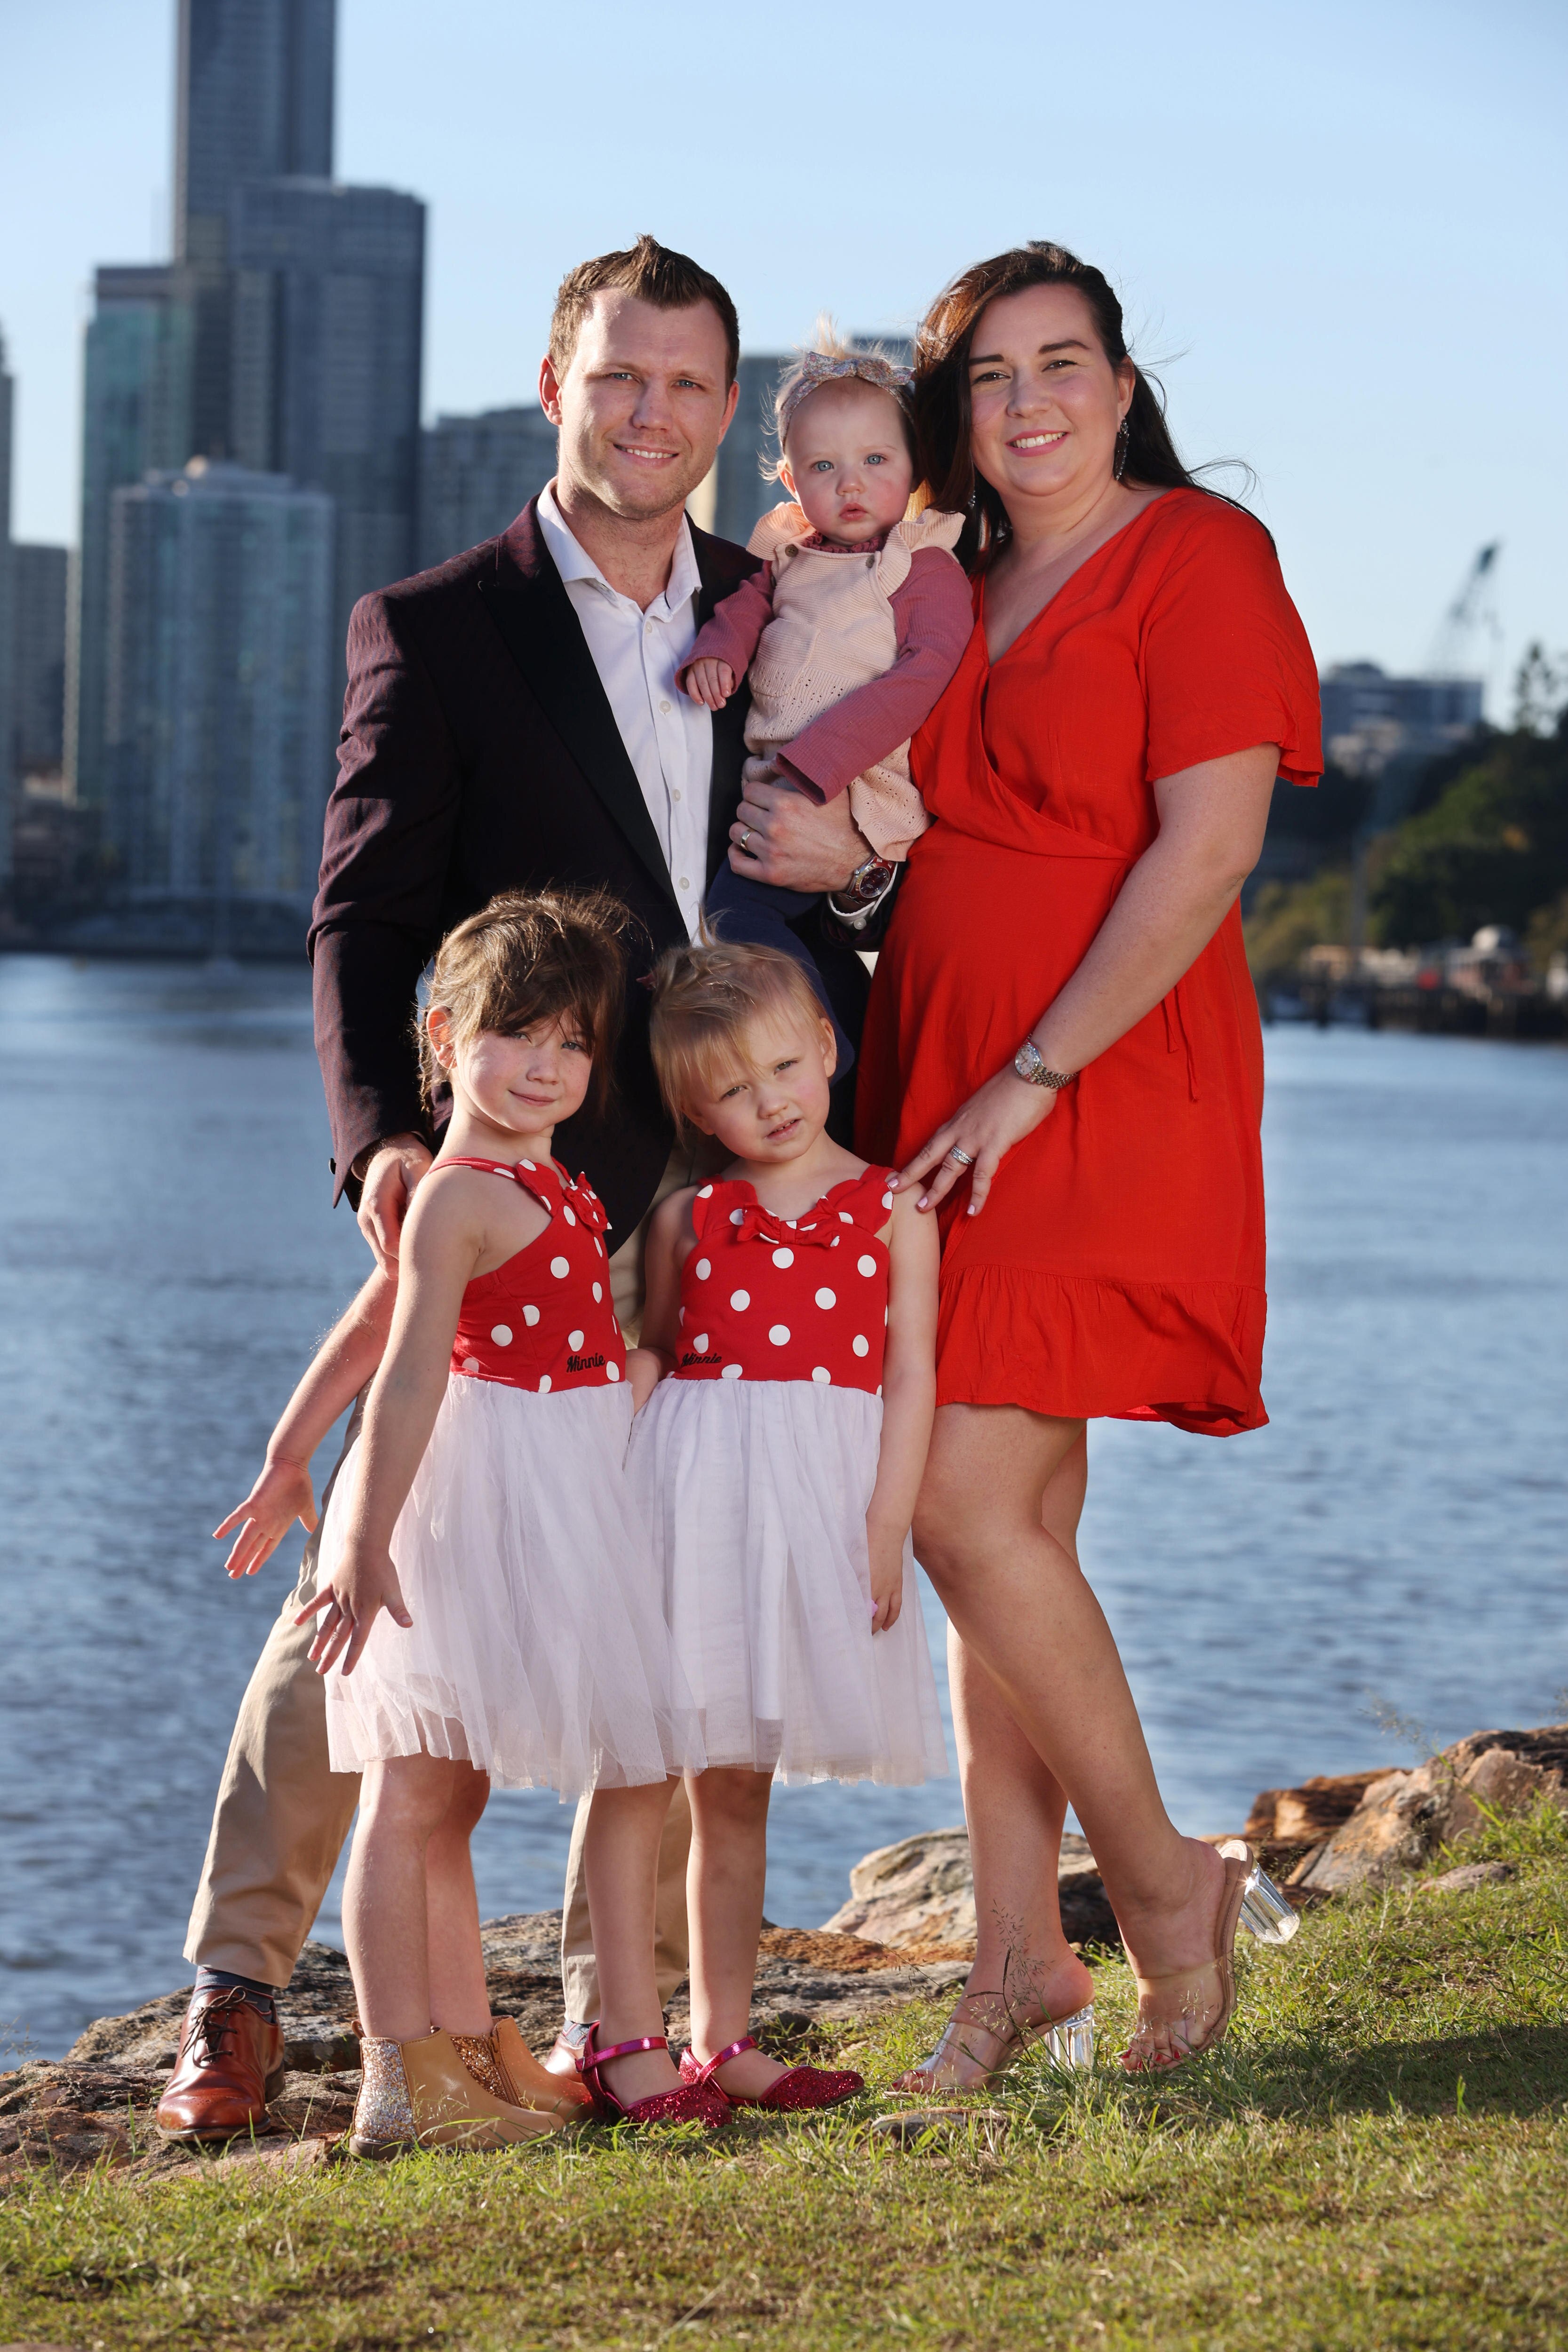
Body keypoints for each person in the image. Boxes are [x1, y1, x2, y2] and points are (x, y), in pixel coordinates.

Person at [158, 235, 889, 2145]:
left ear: (728, 417)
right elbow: (365, 913)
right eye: (614, 377)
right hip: (518, 1181)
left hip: (721, 1197)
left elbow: (839, 857)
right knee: (371, 1586)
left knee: (641, 1611)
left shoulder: (780, 597)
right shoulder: (438, 623)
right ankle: (238, 1985)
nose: (647, 415)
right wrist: (385, 1149)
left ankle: (603, 2025)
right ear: (552, 382)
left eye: (684, 387)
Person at [856, 241, 1313, 2085]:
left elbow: (1206, 847)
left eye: (1062, 363)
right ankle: (1014, 1956)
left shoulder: (1198, 556)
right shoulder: (943, 580)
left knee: (956, 1503)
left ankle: (1162, 1887)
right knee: (1005, 1531)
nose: (1028, 400)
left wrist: (1035, 1070)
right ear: (951, 410)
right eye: (988, 375)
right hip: (935, 1069)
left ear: (1121, 386)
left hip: (1093, 1069)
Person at [617, 940, 945, 2112]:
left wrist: (888, 1517)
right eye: (731, 1092)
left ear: (827, 1043)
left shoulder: (896, 1205)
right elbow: (660, 1353)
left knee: (746, 1777)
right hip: (692, 1501)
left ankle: (724, 2036)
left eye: (783, 1068)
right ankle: (655, 2034)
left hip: (818, 1503)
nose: (769, 1103)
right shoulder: (686, 1216)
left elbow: (910, 1378)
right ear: (690, 1110)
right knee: (691, 1778)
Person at [682, 330, 971, 1071]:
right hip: (775, 794)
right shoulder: (784, 556)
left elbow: (923, 674)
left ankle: (829, 1056)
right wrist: (718, 652)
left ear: (913, 468)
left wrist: (817, 763)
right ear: (788, 478)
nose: (851, 484)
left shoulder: (924, 565)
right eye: (823, 466)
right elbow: (743, 611)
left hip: (858, 788)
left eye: (876, 461)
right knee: (764, 932)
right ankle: (836, 1050)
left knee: (751, 920)